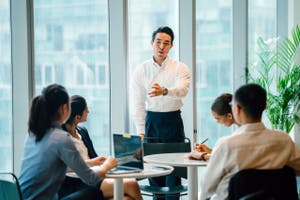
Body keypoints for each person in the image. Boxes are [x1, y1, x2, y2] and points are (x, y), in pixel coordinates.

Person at [199, 83, 300, 200]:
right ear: (264, 106)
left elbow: (207, 187)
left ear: (237, 108)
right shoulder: (284, 140)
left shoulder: (226, 145)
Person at [19, 84, 117, 200]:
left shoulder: (33, 134)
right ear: (64, 108)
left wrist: (91, 163)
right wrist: (107, 165)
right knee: (95, 191)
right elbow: (91, 179)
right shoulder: (61, 138)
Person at [130, 26, 190, 200]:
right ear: (151, 43)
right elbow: (138, 103)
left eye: (166, 43)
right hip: (152, 122)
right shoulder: (141, 70)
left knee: (174, 176)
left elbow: (182, 89)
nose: (161, 47)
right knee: (154, 175)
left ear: (171, 46)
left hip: (173, 120)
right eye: (158, 42)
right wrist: (141, 131)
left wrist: (164, 91)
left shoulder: (180, 68)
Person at [58, 95, 142, 200]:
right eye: (86, 109)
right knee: (131, 184)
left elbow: (93, 157)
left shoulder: (82, 132)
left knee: (126, 199)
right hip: (76, 184)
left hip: (92, 177)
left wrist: (104, 162)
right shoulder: (61, 138)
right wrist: (96, 164)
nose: (88, 111)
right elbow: (64, 167)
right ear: (77, 117)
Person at [190, 93, 239, 161]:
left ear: (229, 116)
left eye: (218, 118)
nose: (217, 122)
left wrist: (202, 155)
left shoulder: (240, 135)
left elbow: (230, 159)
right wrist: (209, 151)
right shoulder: (241, 129)